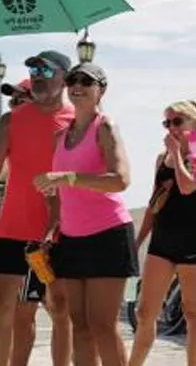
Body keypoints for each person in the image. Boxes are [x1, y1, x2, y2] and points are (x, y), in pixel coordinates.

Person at [0, 50, 75, 366]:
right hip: (15, 225)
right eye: (32, 68)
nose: (36, 74)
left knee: (61, 308)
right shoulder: (10, 120)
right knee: (1, 303)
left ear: (64, 77)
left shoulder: (77, 121)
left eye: (45, 69)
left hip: (61, 229)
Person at [34, 62, 135, 366]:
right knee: (78, 326)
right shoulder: (59, 136)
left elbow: (121, 179)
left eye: (87, 81)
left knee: (103, 326)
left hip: (108, 234)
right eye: (73, 80)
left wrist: (68, 177)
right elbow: (63, 192)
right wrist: (52, 226)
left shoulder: (104, 126)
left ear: (100, 90)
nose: (77, 85)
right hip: (72, 238)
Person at [129, 100, 196, 366]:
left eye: (178, 121)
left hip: (194, 240)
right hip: (163, 240)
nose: (171, 128)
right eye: (167, 122)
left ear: (195, 122)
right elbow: (154, 204)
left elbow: (188, 187)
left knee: (192, 312)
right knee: (145, 312)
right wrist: (138, 240)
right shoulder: (162, 158)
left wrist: (177, 154)